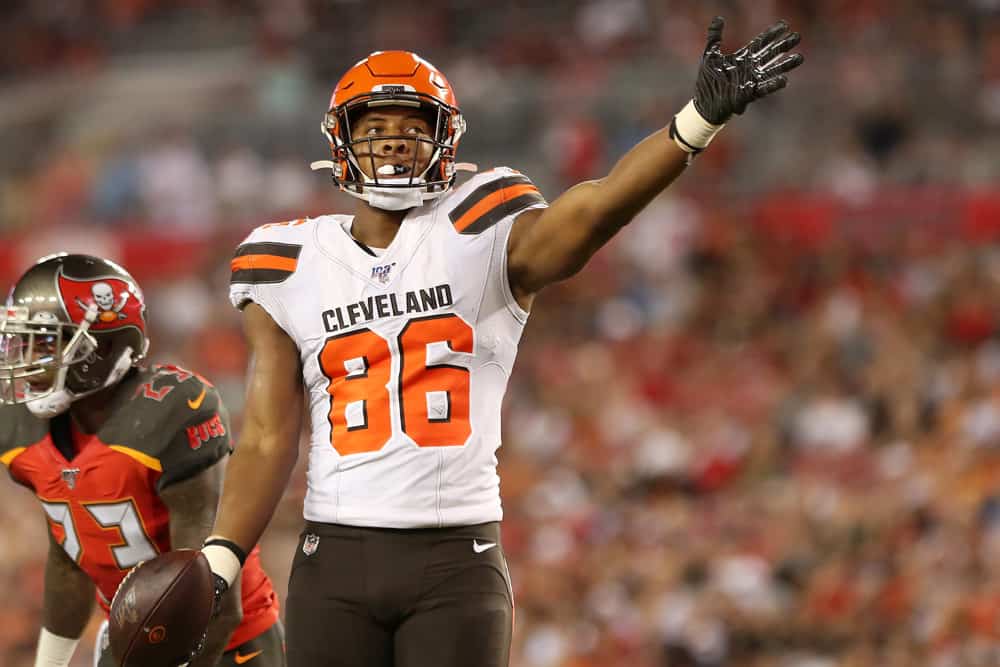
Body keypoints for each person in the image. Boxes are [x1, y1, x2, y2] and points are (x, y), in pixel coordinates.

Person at [192, 16, 803, 667]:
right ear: (341, 143)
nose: (394, 144)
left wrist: (694, 124)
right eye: (374, 130)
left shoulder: (482, 225)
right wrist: (221, 556)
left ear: (444, 142)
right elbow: (264, 434)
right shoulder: (290, 262)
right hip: (333, 560)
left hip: (455, 559)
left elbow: (594, 209)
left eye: (411, 129)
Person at [0, 254, 284, 667]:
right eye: (22, 341)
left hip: (229, 645)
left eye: (46, 342)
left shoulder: (168, 415)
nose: (26, 360)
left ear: (104, 347)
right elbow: (70, 562)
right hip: (134, 639)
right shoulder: (22, 431)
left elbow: (210, 592)